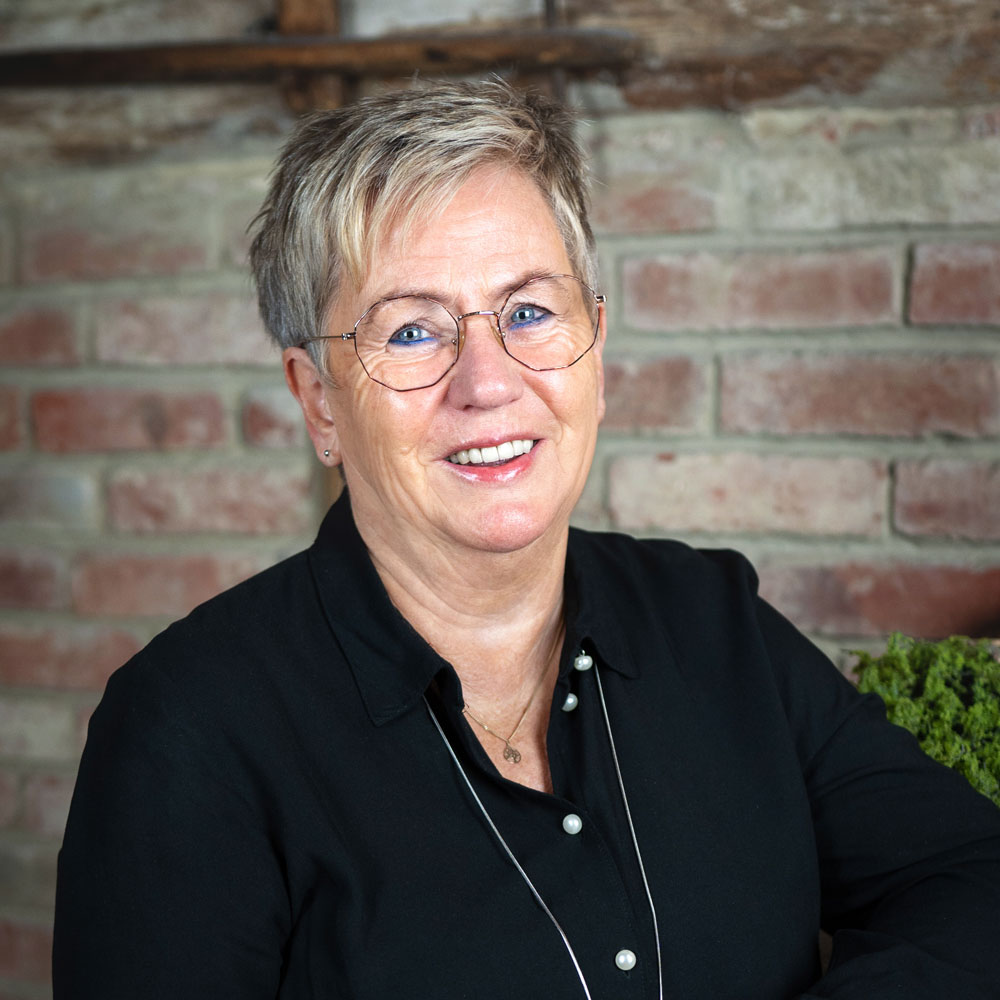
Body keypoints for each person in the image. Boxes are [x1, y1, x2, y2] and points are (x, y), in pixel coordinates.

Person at [53, 79, 1000, 999]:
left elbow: (969, 877)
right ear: (319, 402)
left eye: (529, 313)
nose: (489, 382)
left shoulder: (711, 622)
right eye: (412, 332)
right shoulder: (187, 731)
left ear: (596, 349)